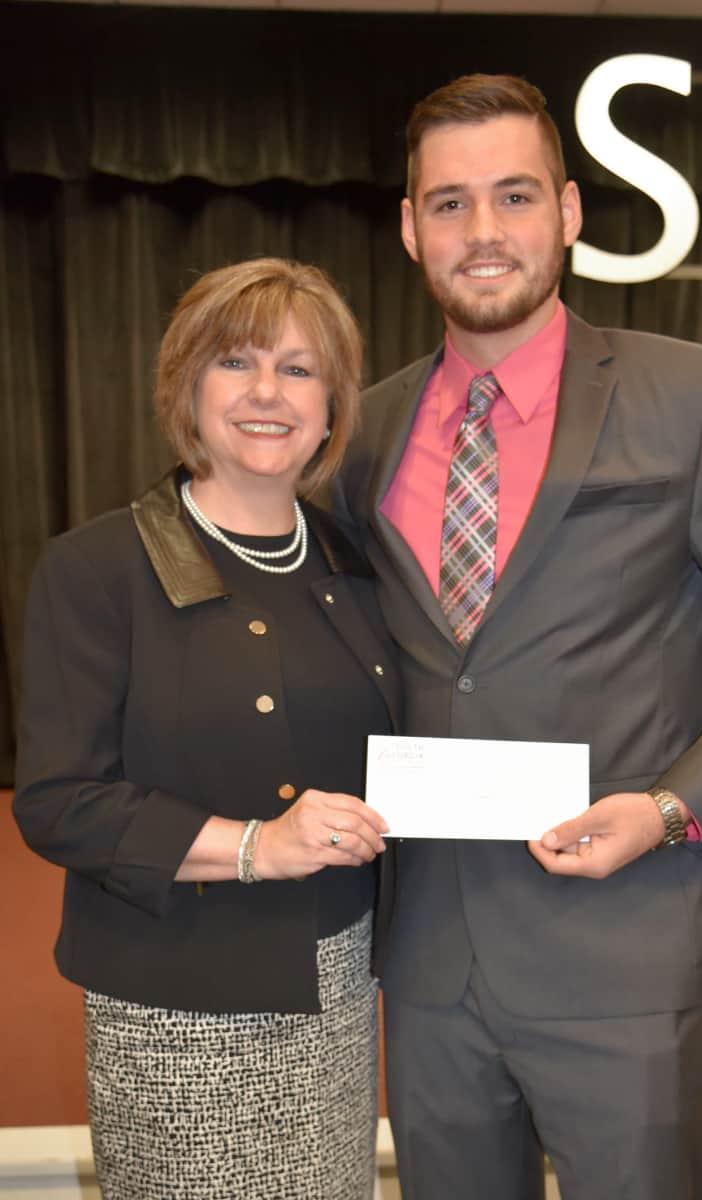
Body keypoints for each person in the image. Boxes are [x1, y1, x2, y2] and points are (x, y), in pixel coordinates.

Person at [333, 74, 702, 1200]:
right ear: (410, 228)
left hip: (618, 948)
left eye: (514, 195)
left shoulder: (692, 398)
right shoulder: (362, 429)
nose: (483, 231)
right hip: (428, 961)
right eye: (449, 204)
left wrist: (673, 808)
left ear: (569, 210)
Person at [14, 257, 400, 1200]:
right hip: (176, 1004)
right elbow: (59, 803)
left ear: (332, 406)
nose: (269, 392)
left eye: (299, 369)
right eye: (237, 362)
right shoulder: (96, 568)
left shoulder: (360, 566)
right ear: (187, 384)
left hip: (338, 990)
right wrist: (257, 846)